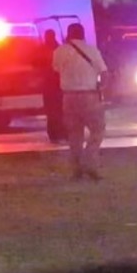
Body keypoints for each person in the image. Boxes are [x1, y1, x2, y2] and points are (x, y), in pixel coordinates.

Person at [52, 23, 109, 181]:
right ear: (83, 34)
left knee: (74, 134)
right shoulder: (92, 51)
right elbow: (104, 74)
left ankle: (76, 170)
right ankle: (89, 162)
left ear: (68, 34)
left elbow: (56, 69)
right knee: (97, 130)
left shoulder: (59, 52)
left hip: (68, 97)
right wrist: (101, 88)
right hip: (89, 95)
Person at [40, 29, 66, 144]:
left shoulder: (42, 49)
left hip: (48, 85)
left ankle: (54, 134)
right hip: (58, 84)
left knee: (51, 111)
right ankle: (60, 133)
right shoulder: (59, 49)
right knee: (60, 111)